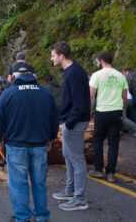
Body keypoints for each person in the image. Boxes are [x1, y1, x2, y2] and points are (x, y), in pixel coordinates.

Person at [0, 65, 59, 222]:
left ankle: (23, 217)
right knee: (39, 182)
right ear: (33, 76)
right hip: (39, 145)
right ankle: (41, 216)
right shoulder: (45, 93)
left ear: (15, 78)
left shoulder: (8, 94)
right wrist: (50, 137)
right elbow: (54, 118)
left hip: (16, 146)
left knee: (18, 184)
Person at [50, 41, 90, 211]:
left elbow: (80, 104)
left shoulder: (74, 73)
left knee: (77, 159)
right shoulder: (71, 71)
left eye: (53, 55)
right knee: (68, 156)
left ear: (61, 56)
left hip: (75, 122)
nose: (51, 59)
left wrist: (69, 123)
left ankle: (80, 199)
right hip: (70, 121)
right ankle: (70, 190)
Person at [88, 51, 128, 183]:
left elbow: (92, 94)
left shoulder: (96, 75)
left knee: (98, 140)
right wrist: (121, 109)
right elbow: (124, 96)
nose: (97, 63)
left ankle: (98, 169)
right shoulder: (121, 76)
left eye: (97, 61)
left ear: (101, 61)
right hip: (116, 111)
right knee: (113, 143)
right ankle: (111, 172)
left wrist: (91, 110)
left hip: (102, 111)